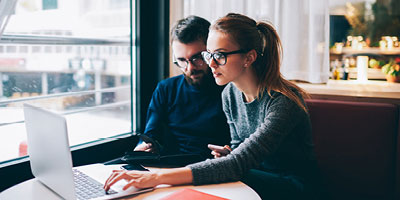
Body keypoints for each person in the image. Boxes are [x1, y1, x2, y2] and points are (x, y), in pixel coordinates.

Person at [104, 13, 322, 200]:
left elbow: (238, 164)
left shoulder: (283, 101)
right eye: (209, 55)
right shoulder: (230, 93)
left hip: (294, 187)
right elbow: (238, 152)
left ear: (249, 58)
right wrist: (229, 153)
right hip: (250, 178)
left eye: (219, 55)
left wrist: (155, 177)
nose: (211, 63)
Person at [133, 15, 230, 160]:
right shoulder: (166, 89)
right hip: (171, 168)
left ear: (211, 52)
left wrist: (231, 153)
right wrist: (144, 147)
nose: (190, 68)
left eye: (197, 58)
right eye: (181, 60)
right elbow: (151, 135)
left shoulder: (231, 91)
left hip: (216, 169)